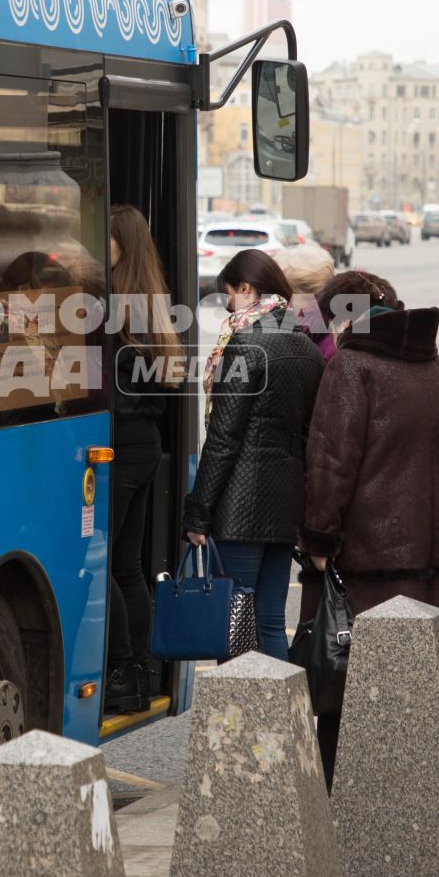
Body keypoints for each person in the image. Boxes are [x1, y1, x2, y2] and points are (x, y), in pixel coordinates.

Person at [299, 274, 439, 786]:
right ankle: (411, 794)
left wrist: (319, 538)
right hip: (425, 561)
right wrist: (428, 493)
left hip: (364, 563)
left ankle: (345, 794)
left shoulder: (351, 367)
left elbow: (332, 462)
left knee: (346, 683)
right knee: (413, 683)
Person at [181, 248, 322, 661]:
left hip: (241, 506)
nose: (227, 305)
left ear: (245, 289)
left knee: (235, 622)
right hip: (285, 504)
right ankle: (278, 720)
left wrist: (198, 511)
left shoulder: (244, 344)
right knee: (270, 622)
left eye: (229, 295)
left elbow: (223, 438)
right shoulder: (306, 348)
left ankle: (237, 722)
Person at [103, 205, 181, 714]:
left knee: (101, 562)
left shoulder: (110, 306)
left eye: (101, 239)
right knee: (127, 564)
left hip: (118, 444)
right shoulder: (150, 301)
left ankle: (121, 669)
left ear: (119, 246)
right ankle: (138, 676)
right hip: (145, 444)